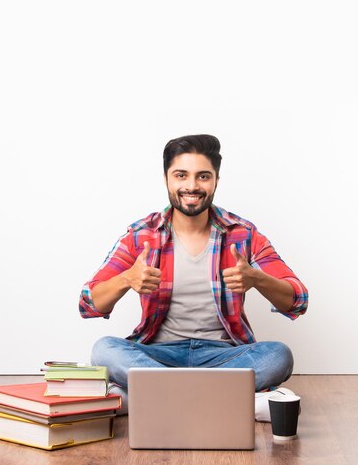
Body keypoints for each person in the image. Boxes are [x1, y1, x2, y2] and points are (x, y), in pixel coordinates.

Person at [79, 134, 308, 419]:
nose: (191, 186)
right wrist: (127, 278)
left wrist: (257, 279)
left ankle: (154, 399)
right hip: (159, 355)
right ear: (166, 179)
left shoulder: (243, 233)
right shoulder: (142, 234)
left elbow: (297, 299)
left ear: (216, 181)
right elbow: (88, 302)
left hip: (224, 357)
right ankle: (223, 402)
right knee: (104, 350)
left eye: (203, 176)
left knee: (278, 356)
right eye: (181, 175)